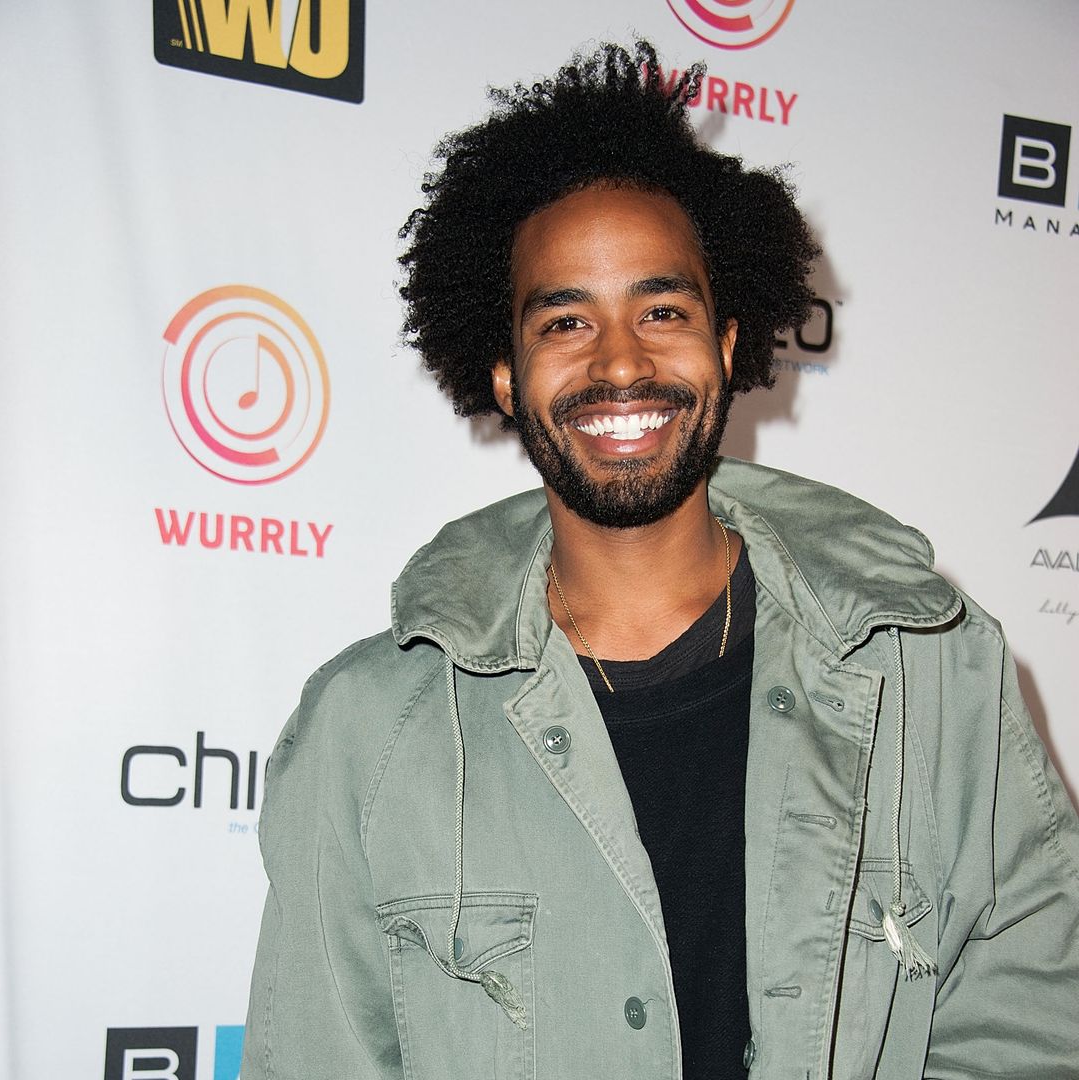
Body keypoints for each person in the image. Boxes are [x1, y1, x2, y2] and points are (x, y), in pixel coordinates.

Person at [241, 41, 1079, 1079]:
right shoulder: (368, 733)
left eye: (662, 310)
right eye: (565, 321)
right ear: (504, 374)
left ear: (729, 346)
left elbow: (1030, 1028)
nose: (621, 361)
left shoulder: (932, 673)